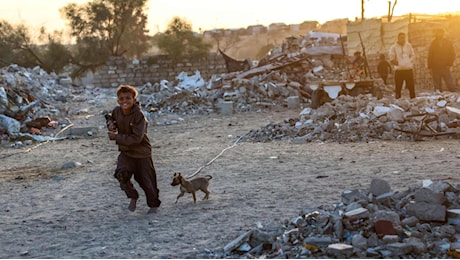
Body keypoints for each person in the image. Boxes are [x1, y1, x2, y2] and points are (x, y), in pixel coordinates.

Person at [107, 84, 161, 214]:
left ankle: (153, 205)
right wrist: (110, 124)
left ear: (134, 100)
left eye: (128, 98)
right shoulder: (117, 111)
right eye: (121, 99)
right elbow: (110, 117)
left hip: (142, 153)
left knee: (147, 181)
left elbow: (136, 138)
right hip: (126, 153)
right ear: (118, 101)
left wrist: (117, 137)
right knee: (121, 175)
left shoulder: (139, 116)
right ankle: (133, 196)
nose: (124, 101)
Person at [389, 32, 416, 99]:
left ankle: (413, 101)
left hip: (408, 70)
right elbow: (391, 58)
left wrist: (409, 62)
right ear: (398, 38)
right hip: (399, 71)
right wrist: (398, 63)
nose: (403, 39)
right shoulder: (393, 47)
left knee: (411, 87)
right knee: (398, 88)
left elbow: (412, 55)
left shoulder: (408, 46)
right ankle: (398, 103)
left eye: (404, 38)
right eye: (401, 38)